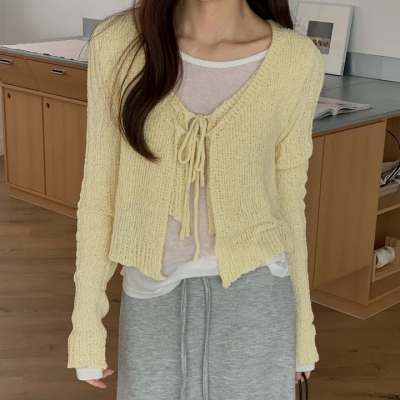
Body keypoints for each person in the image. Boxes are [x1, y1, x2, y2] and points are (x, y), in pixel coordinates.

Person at [67, 0, 325, 398]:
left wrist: (303, 331)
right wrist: (86, 326)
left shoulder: (295, 59)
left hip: (258, 297)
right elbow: (100, 194)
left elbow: (290, 202)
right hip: (152, 294)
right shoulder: (119, 43)